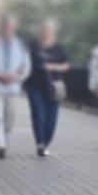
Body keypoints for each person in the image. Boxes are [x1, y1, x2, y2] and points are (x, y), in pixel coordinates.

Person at [0, 16, 30, 159]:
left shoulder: (21, 45)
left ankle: (5, 139)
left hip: (13, 87)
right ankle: (0, 144)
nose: (8, 29)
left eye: (11, 26)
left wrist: (16, 77)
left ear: (14, 28)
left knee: (9, 117)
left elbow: (26, 66)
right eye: (5, 26)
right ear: (1, 27)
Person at [26, 21, 70, 157]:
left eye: (49, 30)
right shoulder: (32, 47)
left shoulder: (59, 48)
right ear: (39, 32)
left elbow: (66, 65)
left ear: (53, 32)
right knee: (38, 114)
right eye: (44, 30)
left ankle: (46, 142)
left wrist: (52, 67)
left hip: (54, 87)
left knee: (52, 117)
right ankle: (39, 142)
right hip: (34, 85)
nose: (46, 32)